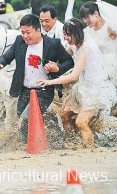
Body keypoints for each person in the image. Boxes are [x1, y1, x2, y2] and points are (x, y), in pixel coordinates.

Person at [0, 14, 74, 142]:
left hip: (44, 90)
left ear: (38, 30)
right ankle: (50, 125)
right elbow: (7, 56)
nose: (25, 36)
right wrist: (0, 63)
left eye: (28, 32)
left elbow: (69, 62)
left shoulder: (53, 44)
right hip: (25, 89)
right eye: (23, 32)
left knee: (27, 118)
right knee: (20, 116)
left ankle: (27, 145)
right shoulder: (20, 41)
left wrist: (57, 68)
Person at [38, 18, 117, 146]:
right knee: (64, 115)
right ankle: (74, 143)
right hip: (83, 87)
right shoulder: (73, 45)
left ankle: (89, 150)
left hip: (97, 91)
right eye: (64, 34)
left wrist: (49, 83)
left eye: (68, 34)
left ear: (78, 33)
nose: (66, 38)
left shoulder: (87, 49)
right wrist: (52, 64)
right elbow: (62, 59)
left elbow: (74, 76)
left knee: (81, 122)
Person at [79, 1, 117, 88]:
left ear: (96, 13)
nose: (85, 21)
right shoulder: (87, 31)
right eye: (83, 19)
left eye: (87, 17)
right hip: (95, 68)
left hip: (112, 67)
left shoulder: (110, 27)